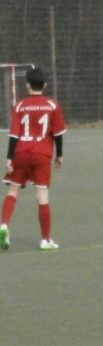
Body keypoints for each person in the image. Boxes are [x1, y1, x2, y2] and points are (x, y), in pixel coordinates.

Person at [1, 67, 67, 251]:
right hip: (41, 154)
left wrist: (9, 157)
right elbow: (58, 133)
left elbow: (14, 135)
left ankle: (3, 224)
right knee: (42, 195)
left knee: (13, 191)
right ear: (44, 85)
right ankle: (45, 239)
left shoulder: (20, 106)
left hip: (20, 153)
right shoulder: (52, 105)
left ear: (27, 85)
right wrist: (59, 154)